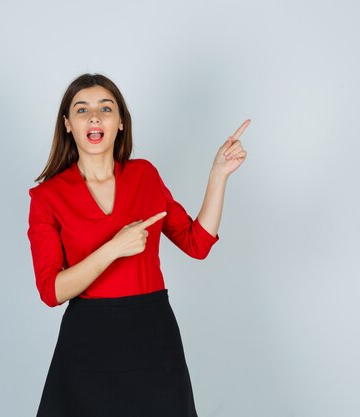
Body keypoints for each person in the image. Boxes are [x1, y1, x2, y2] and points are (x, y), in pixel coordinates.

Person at [27, 72, 249, 417]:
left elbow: (197, 243)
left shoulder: (145, 175)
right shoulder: (47, 197)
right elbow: (51, 291)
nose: (95, 117)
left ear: (119, 123)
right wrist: (113, 248)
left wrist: (218, 175)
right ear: (68, 124)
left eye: (106, 108)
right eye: (82, 110)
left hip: (152, 333)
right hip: (88, 340)